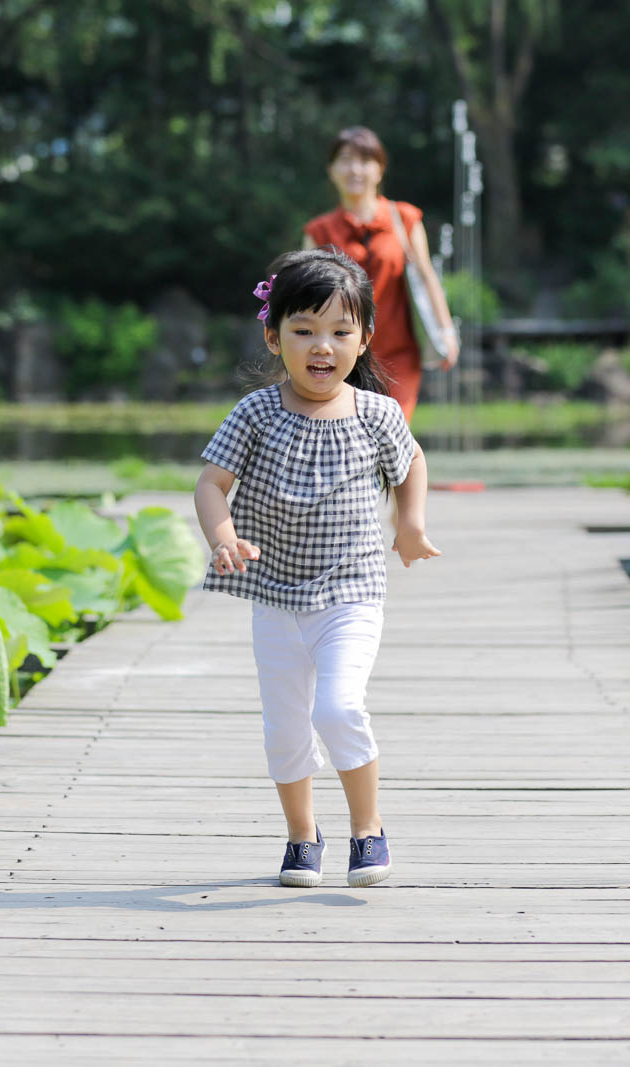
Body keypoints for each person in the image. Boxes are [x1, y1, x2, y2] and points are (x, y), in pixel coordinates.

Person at [193, 247, 442, 889]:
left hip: (352, 592)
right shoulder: (256, 412)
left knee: (337, 707)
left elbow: (411, 463)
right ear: (274, 337)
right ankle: (302, 836)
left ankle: (368, 829)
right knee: (284, 725)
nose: (321, 346)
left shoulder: (377, 414)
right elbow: (212, 484)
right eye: (303, 330)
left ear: (364, 338)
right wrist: (223, 536)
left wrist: (409, 525)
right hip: (274, 593)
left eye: (339, 331)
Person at [303, 126, 459, 422]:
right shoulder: (318, 231)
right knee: (346, 440)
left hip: (399, 353)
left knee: (393, 439)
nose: (355, 169)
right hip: (339, 356)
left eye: (365, 160)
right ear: (331, 170)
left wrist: (447, 331)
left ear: (380, 169)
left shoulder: (405, 218)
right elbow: (302, 295)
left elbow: (427, 278)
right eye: (346, 160)